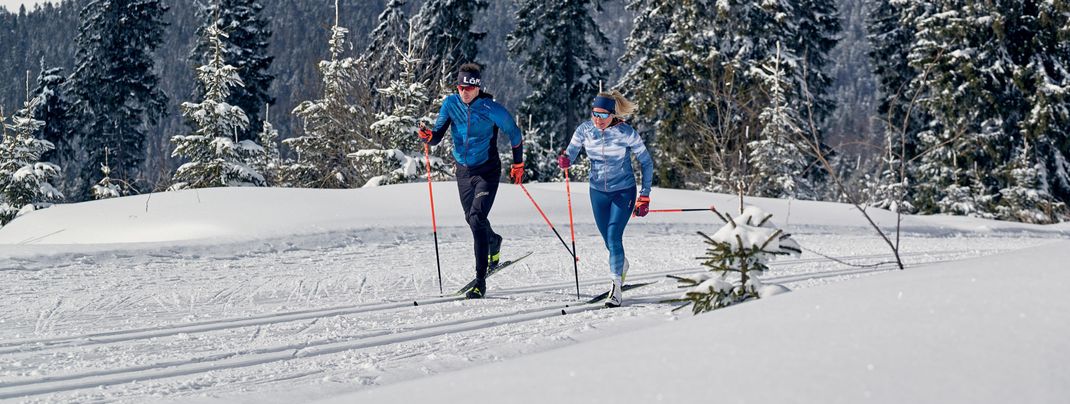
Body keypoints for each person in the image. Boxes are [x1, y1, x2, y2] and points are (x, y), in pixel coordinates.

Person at [418, 63, 524, 299]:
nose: (464, 91)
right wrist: (429, 136)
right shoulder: (450, 104)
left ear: (477, 88)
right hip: (463, 172)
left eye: (469, 87)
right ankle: (493, 241)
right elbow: (437, 136)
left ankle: (480, 280)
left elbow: (515, 134)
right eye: (460, 87)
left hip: (487, 171)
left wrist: (518, 164)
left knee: (476, 218)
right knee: (472, 219)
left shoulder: (490, 108)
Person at [558, 90, 653, 307]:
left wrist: (644, 195)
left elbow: (646, 162)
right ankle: (622, 264)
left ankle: (616, 288)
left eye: (603, 115)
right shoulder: (585, 130)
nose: (597, 120)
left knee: (613, 236)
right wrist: (565, 160)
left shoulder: (626, 132)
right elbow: (570, 152)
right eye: (594, 114)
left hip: (623, 191)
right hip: (597, 192)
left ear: (613, 115)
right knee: (608, 241)